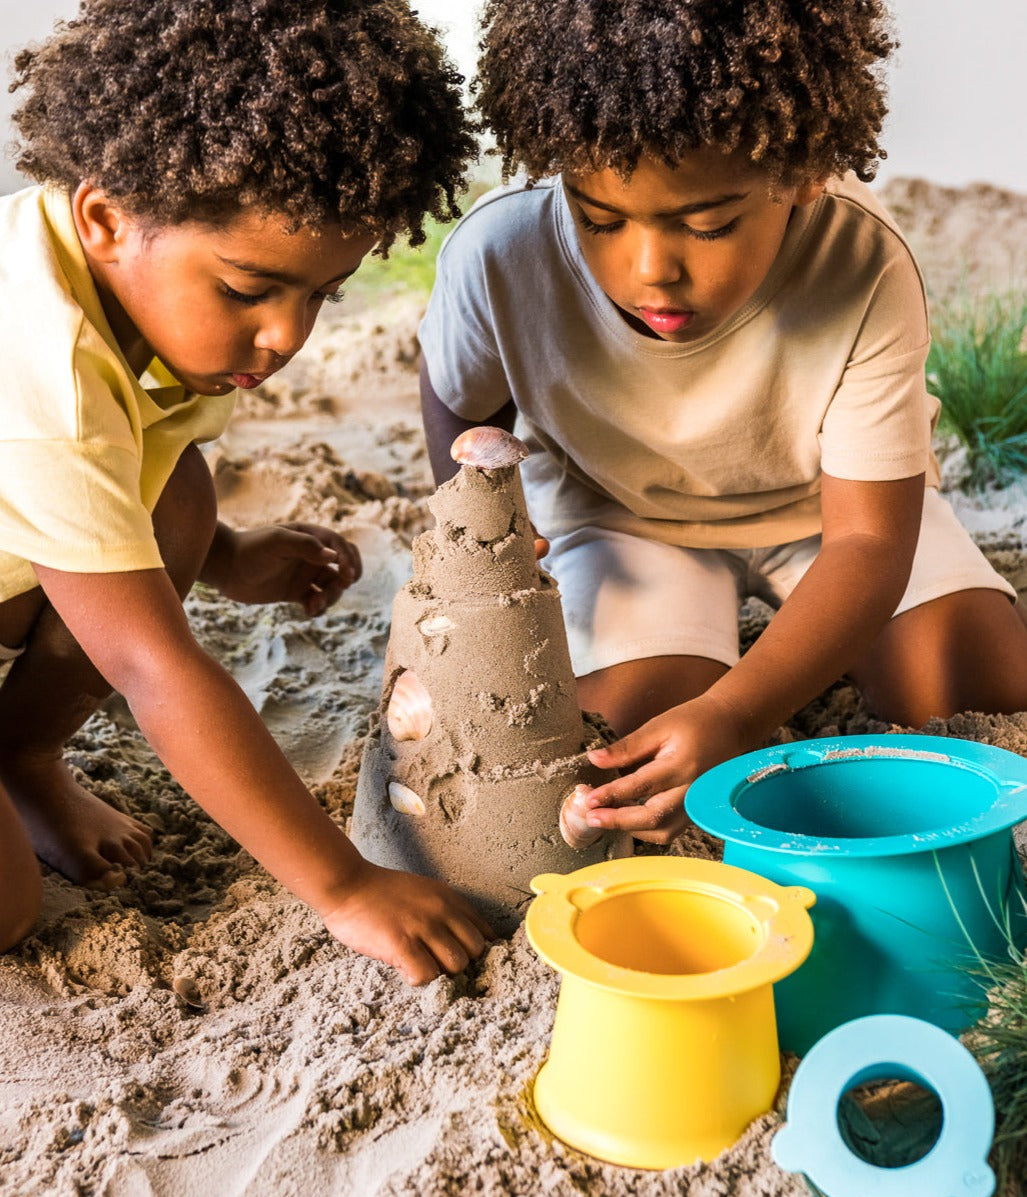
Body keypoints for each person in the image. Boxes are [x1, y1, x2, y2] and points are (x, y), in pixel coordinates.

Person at [419, 0, 1027, 846]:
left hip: (834, 514)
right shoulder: (500, 251)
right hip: (620, 515)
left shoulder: (862, 262)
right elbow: (460, 396)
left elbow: (867, 544)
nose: (649, 270)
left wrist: (738, 711)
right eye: (599, 220)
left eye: (706, 224)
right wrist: (483, 527)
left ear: (801, 177)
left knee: (967, 685)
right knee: (626, 730)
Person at [0, 0, 492, 983]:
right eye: (246, 291)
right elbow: (151, 666)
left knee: (178, 500)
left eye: (321, 293)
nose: (284, 337)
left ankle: (22, 756)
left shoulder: (132, 292)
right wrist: (343, 887)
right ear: (106, 216)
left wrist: (220, 553)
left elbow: (135, 462)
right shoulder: (36, 370)